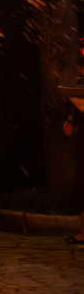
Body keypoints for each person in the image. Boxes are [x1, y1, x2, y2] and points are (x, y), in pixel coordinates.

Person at [63, 57, 84, 246]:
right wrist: (67, 126)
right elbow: (71, 119)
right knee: (82, 186)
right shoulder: (79, 90)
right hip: (83, 146)